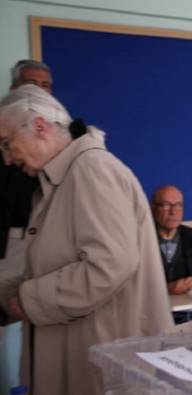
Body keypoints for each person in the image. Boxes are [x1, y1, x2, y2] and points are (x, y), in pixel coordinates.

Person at [0, 84, 173, 395]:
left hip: (101, 356)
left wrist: (30, 299)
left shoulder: (92, 169)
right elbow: (52, 264)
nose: (7, 158)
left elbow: (109, 264)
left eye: (6, 143)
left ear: (40, 127)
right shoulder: (58, 180)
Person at [0, 59, 51, 395]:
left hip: (40, 251)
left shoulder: (60, 143)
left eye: (45, 86)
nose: (37, 91)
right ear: (14, 89)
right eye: (31, 83)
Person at [151, 185, 192, 295]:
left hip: (188, 308)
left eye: (178, 205)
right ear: (153, 208)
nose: (173, 212)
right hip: (152, 309)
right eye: (166, 205)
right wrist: (166, 290)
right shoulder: (141, 239)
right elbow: (130, 285)